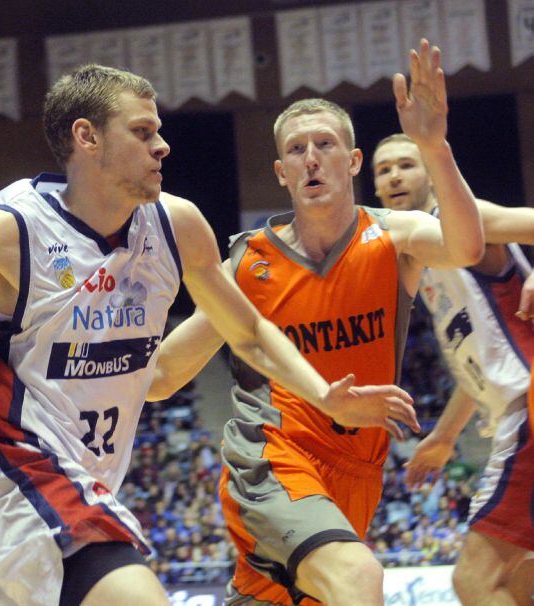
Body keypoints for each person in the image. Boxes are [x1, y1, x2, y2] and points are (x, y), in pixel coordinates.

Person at [0, 63, 418, 606]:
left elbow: (248, 332)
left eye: (159, 131)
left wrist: (322, 393)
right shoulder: (7, 231)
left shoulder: (178, 226)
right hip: (12, 478)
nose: (163, 146)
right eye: (143, 133)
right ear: (87, 137)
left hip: (88, 482)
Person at [148, 40, 483, 606]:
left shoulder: (393, 236)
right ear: (281, 173)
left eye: (325, 145)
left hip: (358, 468)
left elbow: (467, 246)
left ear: (352, 162)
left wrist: (434, 144)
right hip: (274, 455)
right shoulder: (249, 261)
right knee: (358, 578)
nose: (311, 158)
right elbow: (163, 375)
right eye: (297, 149)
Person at [374, 133, 534, 605]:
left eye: (406, 164)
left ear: (429, 173)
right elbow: (481, 367)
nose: (395, 176)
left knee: (476, 581)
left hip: (527, 411)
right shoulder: (419, 260)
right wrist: (444, 437)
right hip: (512, 408)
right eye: (384, 171)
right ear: (378, 190)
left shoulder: (465, 220)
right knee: (519, 579)